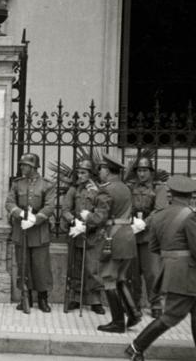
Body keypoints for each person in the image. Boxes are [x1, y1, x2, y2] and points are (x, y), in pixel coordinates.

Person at [125, 175, 196, 361]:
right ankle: (136, 347)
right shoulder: (190, 216)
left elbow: (154, 247)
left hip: (172, 271)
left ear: (171, 194)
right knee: (172, 316)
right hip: (187, 273)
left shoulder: (159, 215)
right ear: (190, 195)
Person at [82, 153, 141, 333]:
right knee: (120, 277)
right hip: (127, 236)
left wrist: (87, 217)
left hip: (113, 238)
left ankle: (117, 322)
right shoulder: (124, 188)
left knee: (108, 278)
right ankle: (133, 313)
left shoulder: (106, 189)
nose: (99, 172)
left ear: (107, 171)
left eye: (101, 169)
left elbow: (100, 217)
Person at [5, 153, 56, 313]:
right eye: (21, 165)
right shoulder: (17, 184)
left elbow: (49, 206)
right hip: (21, 230)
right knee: (23, 265)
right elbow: (9, 202)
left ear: (33, 167)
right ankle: (24, 298)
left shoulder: (47, 184)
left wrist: (35, 219)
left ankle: (43, 298)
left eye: (24, 165)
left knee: (41, 266)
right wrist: (20, 214)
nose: (21, 167)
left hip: (39, 231)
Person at [60, 159, 105, 314]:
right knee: (76, 266)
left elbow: (102, 212)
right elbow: (65, 208)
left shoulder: (98, 190)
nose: (80, 175)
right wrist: (73, 221)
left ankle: (95, 300)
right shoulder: (74, 190)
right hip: (77, 233)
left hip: (93, 234)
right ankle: (76, 298)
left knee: (93, 268)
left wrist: (89, 224)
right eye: (78, 172)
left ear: (91, 174)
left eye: (83, 172)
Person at [127, 156, 168, 319]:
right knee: (133, 273)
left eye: (145, 170)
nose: (141, 174)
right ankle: (134, 303)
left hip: (149, 235)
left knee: (152, 272)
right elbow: (126, 205)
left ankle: (156, 304)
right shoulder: (130, 187)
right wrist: (131, 222)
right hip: (133, 233)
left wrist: (144, 223)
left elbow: (160, 209)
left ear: (151, 172)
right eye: (139, 170)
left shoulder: (158, 188)